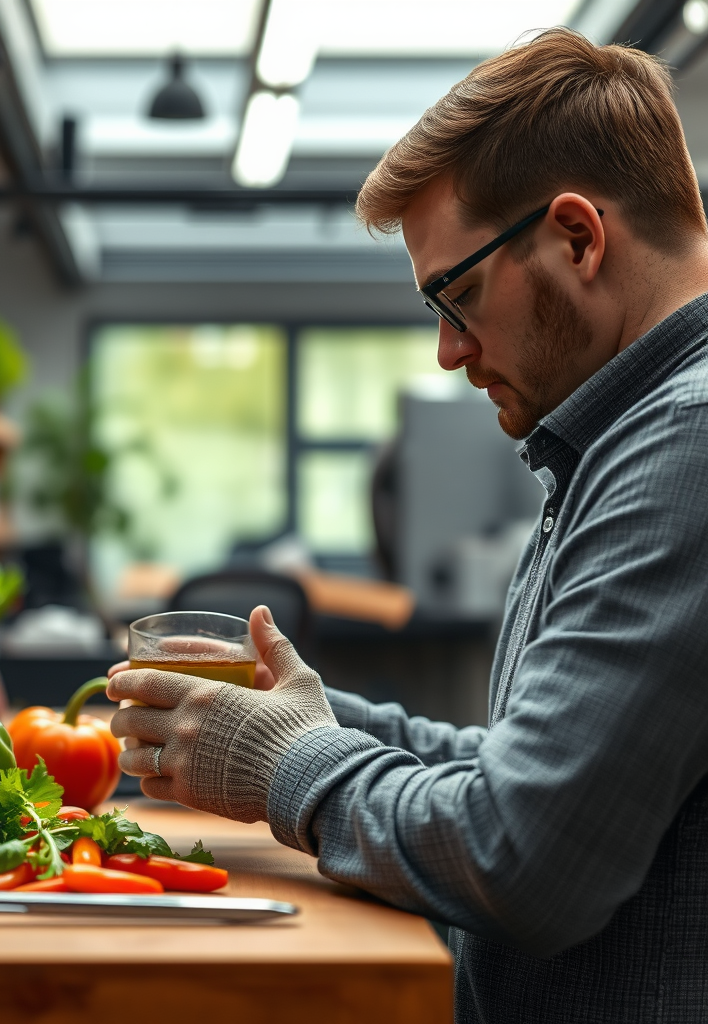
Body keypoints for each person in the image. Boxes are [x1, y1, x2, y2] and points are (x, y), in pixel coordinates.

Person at [107, 27, 708, 1024]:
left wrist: (281, 761)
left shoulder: (684, 445)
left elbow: (520, 857)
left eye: (457, 293)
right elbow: (528, 773)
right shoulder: (616, 443)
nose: (445, 350)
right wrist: (310, 714)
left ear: (577, 237)